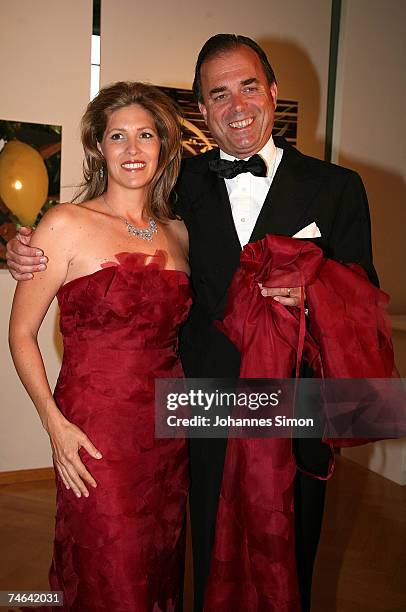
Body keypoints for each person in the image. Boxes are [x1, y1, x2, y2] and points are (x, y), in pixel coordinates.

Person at [7, 34, 377, 612]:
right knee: (191, 554)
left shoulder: (337, 188)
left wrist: (313, 296)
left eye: (248, 87)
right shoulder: (179, 186)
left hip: (292, 406)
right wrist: (21, 248)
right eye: (218, 94)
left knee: (288, 558)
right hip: (194, 409)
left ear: (273, 93)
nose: (236, 105)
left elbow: (364, 304)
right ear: (201, 109)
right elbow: (99, 225)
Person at [9, 81, 191, 611]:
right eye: (118, 136)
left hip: (168, 431)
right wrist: (55, 424)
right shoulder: (66, 222)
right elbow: (21, 334)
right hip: (95, 433)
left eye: (145, 135)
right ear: (99, 147)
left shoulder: (180, 233)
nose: (133, 150)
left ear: (163, 146)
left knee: (159, 564)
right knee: (109, 568)